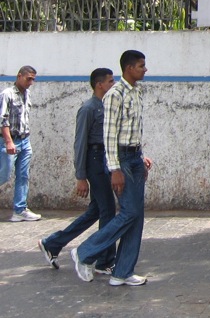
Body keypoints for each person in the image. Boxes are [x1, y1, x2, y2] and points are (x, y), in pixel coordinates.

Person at [72, 50, 153, 287]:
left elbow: (133, 130)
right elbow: (109, 135)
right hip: (122, 159)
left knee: (137, 215)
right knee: (129, 212)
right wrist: (115, 169)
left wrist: (141, 157)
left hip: (135, 157)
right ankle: (85, 251)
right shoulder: (114, 95)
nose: (145, 69)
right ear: (129, 68)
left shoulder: (137, 92)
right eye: (141, 66)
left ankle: (122, 272)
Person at [38, 68, 118, 272]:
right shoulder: (88, 108)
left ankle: (53, 243)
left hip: (104, 159)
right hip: (94, 161)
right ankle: (105, 260)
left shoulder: (106, 106)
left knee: (96, 211)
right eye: (110, 81)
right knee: (108, 210)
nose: (113, 84)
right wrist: (80, 176)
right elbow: (80, 143)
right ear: (99, 84)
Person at [1, 65, 41, 221]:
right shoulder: (7, 94)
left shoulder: (27, 94)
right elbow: (2, 120)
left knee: (23, 175)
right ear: (19, 76)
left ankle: (20, 209)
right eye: (28, 79)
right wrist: (9, 142)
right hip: (10, 141)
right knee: (3, 175)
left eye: (33, 80)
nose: (30, 82)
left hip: (25, 140)